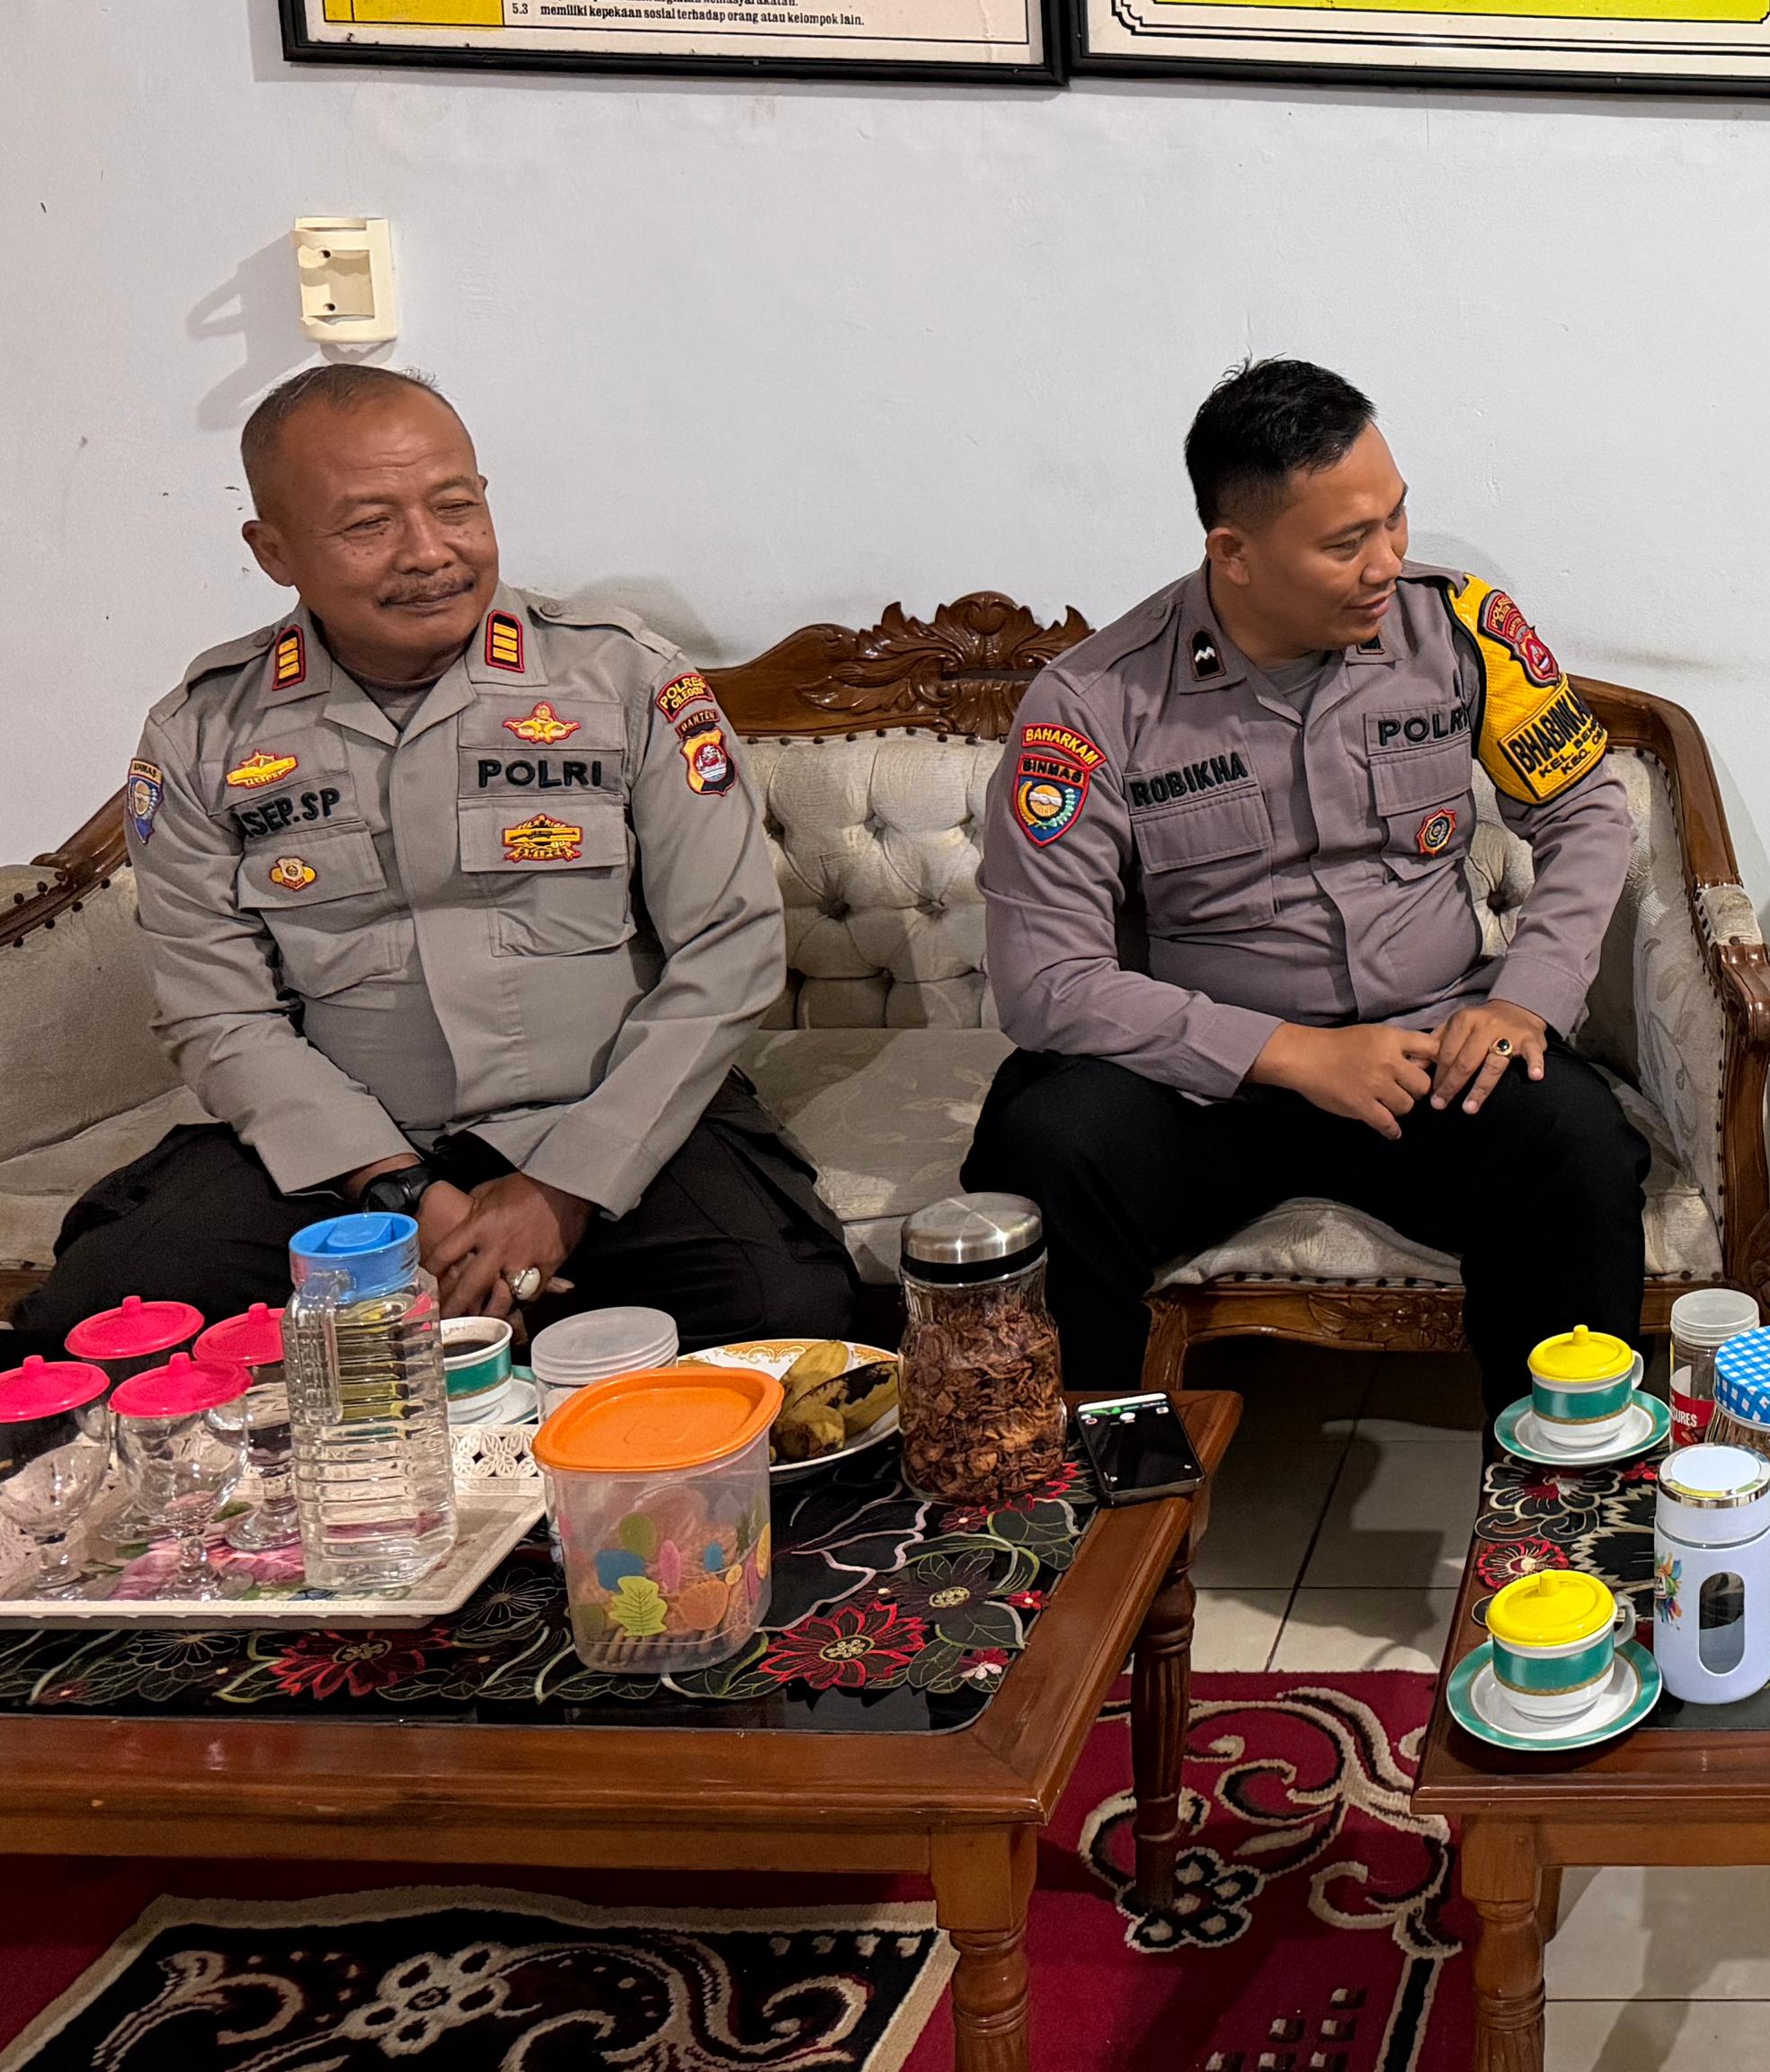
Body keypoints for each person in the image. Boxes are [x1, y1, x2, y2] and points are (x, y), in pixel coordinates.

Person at [23, 365, 855, 1352]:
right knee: (98, 1321)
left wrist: (563, 1187)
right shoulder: (204, 733)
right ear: (273, 550)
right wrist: (398, 1193)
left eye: (455, 506)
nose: (429, 553)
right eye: (369, 524)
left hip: (607, 1121)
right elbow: (217, 1010)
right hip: (339, 1158)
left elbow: (729, 949)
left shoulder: (626, 682)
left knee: (777, 1312)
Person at [965, 357, 1645, 1404]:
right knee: (1044, 1148)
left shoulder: (1459, 630)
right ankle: (1094, 1480)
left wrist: (1524, 999)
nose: (1388, 561)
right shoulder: (1094, 702)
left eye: (1395, 518)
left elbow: (1586, 810)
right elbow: (1044, 980)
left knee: (1579, 1147)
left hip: (1423, 1053)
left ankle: (1561, 1477)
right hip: (1201, 1083)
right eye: (1345, 543)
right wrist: (1292, 1055)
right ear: (1232, 553)